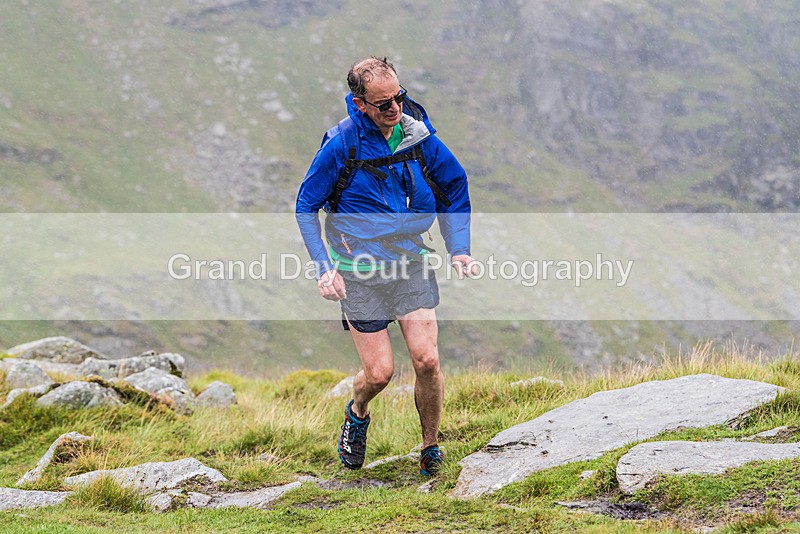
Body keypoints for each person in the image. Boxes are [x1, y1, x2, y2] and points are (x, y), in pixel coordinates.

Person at [295, 57, 477, 476]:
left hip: (410, 262)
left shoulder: (417, 135)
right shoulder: (341, 144)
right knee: (379, 374)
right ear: (360, 104)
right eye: (383, 104)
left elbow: (454, 185)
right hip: (357, 270)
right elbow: (306, 206)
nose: (395, 108)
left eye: (399, 97)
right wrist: (324, 267)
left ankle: (430, 447)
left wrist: (459, 248)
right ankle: (357, 412)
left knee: (426, 360)